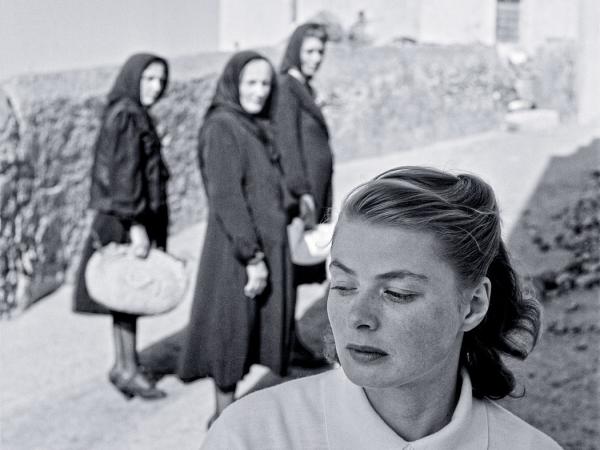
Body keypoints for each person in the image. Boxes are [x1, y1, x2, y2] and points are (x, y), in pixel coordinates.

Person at [201, 166, 562, 449]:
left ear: (473, 306)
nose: (358, 317)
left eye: (397, 293)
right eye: (343, 285)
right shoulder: (250, 436)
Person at [177, 51, 295, 427]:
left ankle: (233, 414)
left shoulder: (254, 125)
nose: (259, 92)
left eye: (265, 84)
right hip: (238, 250)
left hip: (263, 243)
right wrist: (253, 257)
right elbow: (226, 196)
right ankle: (222, 418)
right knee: (231, 327)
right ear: (233, 83)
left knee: (253, 327)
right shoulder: (222, 126)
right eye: (251, 83)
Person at [73, 53, 170, 400]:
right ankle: (127, 369)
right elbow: (124, 177)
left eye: (160, 80)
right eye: (149, 79)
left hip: (125, 217)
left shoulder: (126, 112)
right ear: (133, 78)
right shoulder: (128, 116)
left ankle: (123, 365)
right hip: (126, 219)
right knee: (128, 294)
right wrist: (136, 227)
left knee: (125, 296)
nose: (156, 87)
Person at [275, 22, 333, 366]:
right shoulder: (287, 88)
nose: (316, 58)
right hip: (302, 197)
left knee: (298, 269)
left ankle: (288, 338)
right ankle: (284, 342)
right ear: (296, 48)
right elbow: (287, 144)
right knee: (291, 266)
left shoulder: (303, 87)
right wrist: (302, 193)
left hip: (314, 192)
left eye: (320, 53)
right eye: (310, 51)